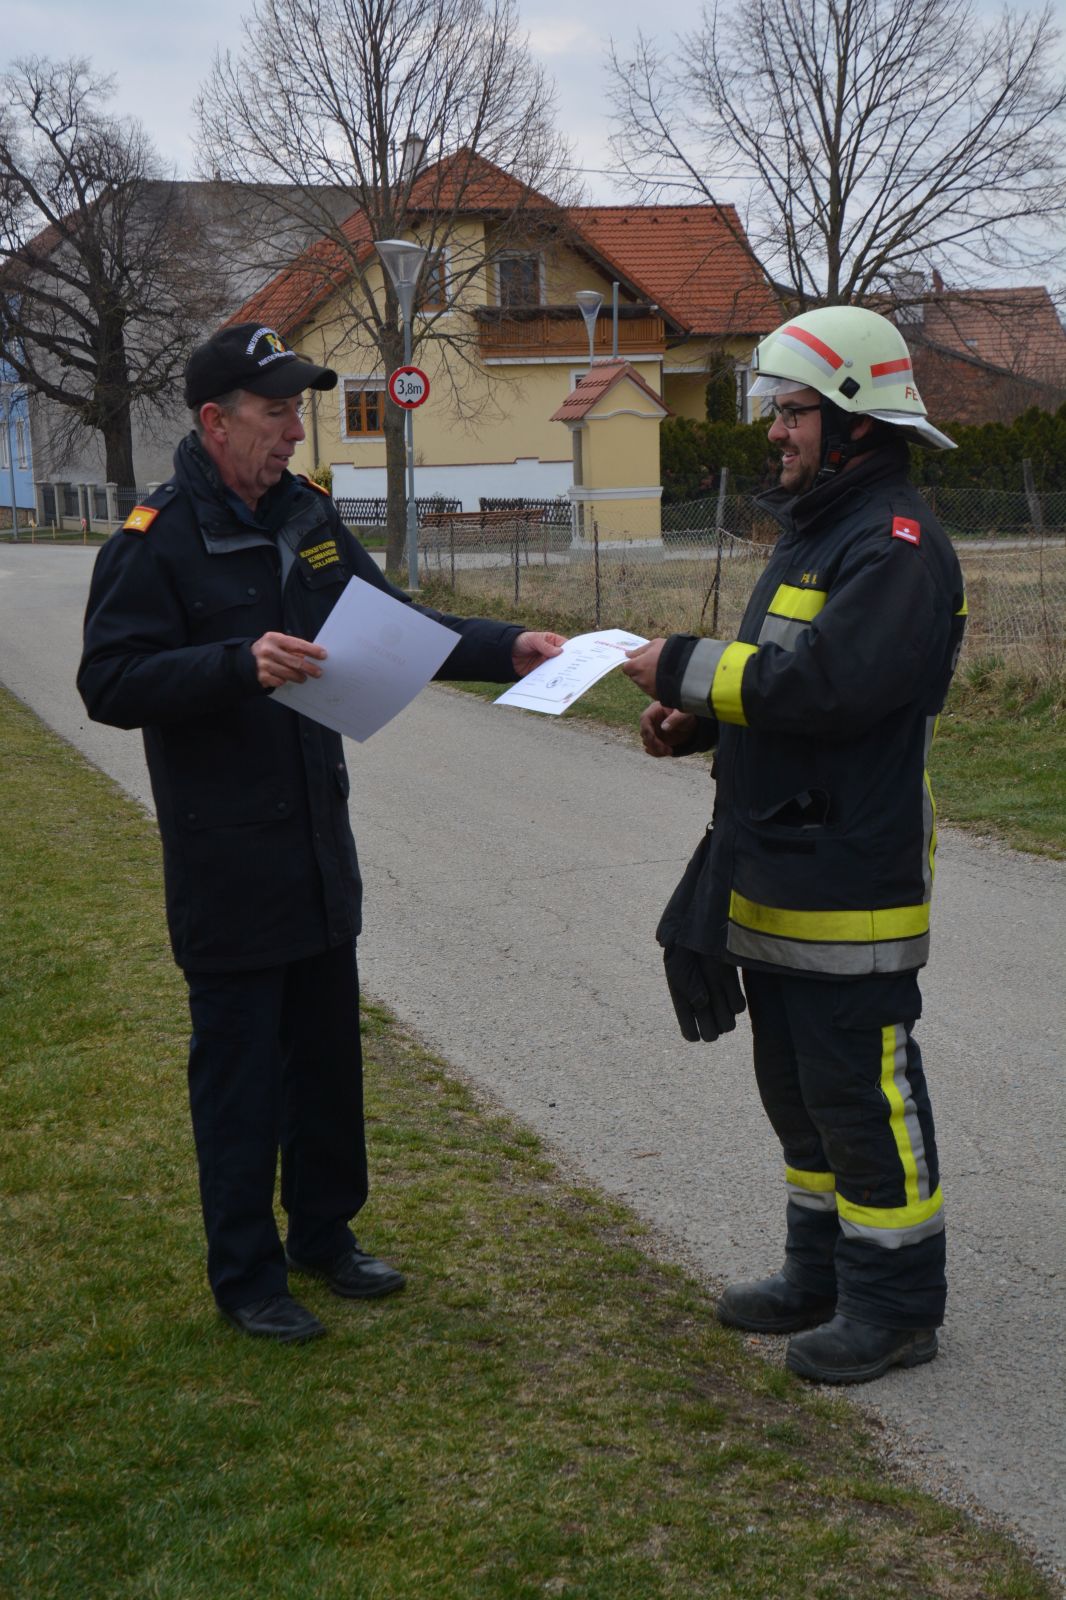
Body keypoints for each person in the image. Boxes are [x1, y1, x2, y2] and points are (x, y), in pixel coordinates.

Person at [78, 322, 565, 1345]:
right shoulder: (155, 537)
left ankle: (325, 1236)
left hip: (313, 844)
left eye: (298, 409)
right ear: (215, 422)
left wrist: (507, 647)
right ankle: (247, 1275)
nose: (295, 431)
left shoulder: (306, 514)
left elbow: (396, 626)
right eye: (276, 412)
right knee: (240, 1079)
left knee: (327, 1061)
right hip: (225, 860)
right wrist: (233, 664)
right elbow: (108, 682)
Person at [622, 306, 966, 1384]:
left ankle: (896, 1305)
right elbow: (773, 684)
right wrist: (699, 720)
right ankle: (819, 1276)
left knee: (861, 1092)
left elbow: (830, 686)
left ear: (857, 420)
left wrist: (681, 666)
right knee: (799, 1092)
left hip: (850, 876)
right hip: (776, 862)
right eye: (776, 410)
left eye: (793, 411)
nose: (774, 430)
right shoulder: (818, 530)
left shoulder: (895, 545)